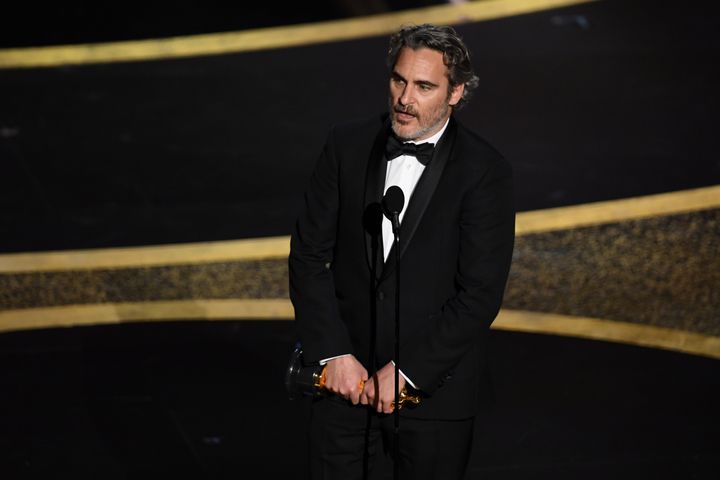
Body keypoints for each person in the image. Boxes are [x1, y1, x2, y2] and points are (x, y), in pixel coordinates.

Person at [288, 23, 515, 480]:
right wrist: (334, 353)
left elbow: (479, 294)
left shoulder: (484, 171)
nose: (405, 98)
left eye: (424, 86)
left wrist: (407, 372)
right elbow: (309, 256)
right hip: (343, 390)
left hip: (433, 398)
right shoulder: (345, 145)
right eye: (399, 80)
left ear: (455, 93)